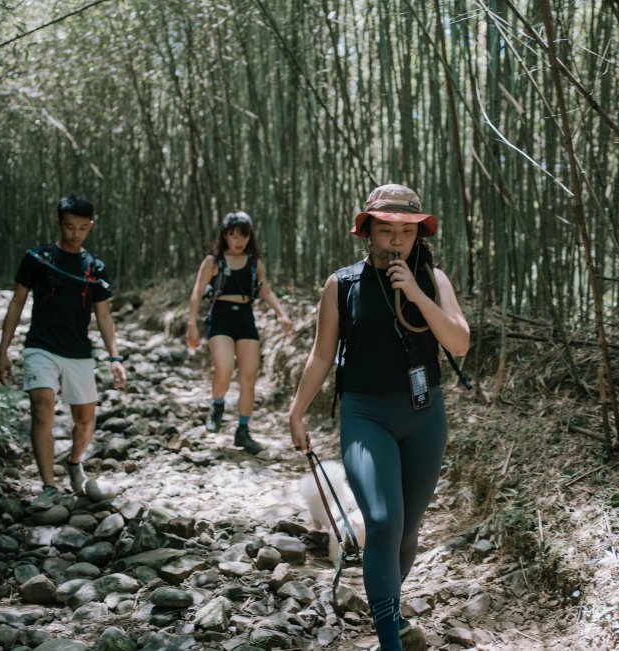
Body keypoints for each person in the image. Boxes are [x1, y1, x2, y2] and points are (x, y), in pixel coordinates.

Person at [287, 184, 470, 651]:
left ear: (417, 236)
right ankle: (389, 638)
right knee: (384, 521)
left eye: (404, 233)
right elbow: (321, 354)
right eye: (385, 230)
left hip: (425, 416)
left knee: (407, 530)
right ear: (367, 231)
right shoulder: (342, 284)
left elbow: (460, 343)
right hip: (365, 414)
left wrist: (416, 291)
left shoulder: (434, 279)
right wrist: (296, 411)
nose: (394, 241)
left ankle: (386, 598)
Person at [0, 195, 127, 508]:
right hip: (41, 346)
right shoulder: (37, 258)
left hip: (79, 351)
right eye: (70, 227)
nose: (75, 234)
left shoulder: (95, 268)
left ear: (90, 227)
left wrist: (115, 357)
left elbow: (104, 316)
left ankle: (73, 463)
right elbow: (16, 303)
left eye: (82, 228)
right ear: (58, 223)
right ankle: (48, 487)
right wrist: (3, 350)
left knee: (85, 422)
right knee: (42, 409)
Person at [186, 210, 293, 454]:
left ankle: (243, 431)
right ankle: (218, 404)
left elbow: (266, 291)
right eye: (233, 235)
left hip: (245, 318)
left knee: (248, 378)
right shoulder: (213, 262)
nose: (238, 241)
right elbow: (196, 291)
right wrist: (192, 324)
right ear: (224, 236)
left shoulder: (255, 263)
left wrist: (282, 314)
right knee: (224, 368)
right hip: (220, 318)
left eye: (242, 236)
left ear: (249, 237)